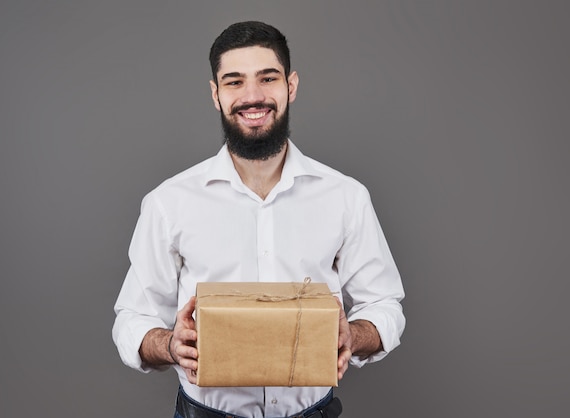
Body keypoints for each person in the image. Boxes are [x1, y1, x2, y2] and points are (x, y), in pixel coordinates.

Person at [113, 21, 405, 418]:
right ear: (216, 95)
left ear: (292, 85)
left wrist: (350, 335)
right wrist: (168, 344)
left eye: (267, 78)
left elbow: (384, 305)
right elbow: (132, 318)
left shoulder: (345, 196)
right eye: (234, 82)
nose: (252, 97)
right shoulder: (169, 202)